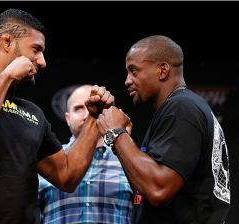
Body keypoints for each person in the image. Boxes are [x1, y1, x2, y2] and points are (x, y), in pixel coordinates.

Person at [0, 9, 114, 224]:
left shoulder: (33, 113)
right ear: (7, 42)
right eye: (36, 49)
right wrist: (5, 76)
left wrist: (92, 118)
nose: (42, 62)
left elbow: (67, 176)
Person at [96, 35, 230, 224]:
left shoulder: (181, 107)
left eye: (134, 70)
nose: (127, 80)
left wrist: (117, 134)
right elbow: (143, 188)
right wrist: (123, 143)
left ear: (163, 70)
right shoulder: (183, 107)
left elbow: (159, 191)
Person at [38, 85, 134, 223]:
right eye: (78, 108)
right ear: (67, 118)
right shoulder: (47, 161)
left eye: (95, 108)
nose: (87, 115)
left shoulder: (127, 160)